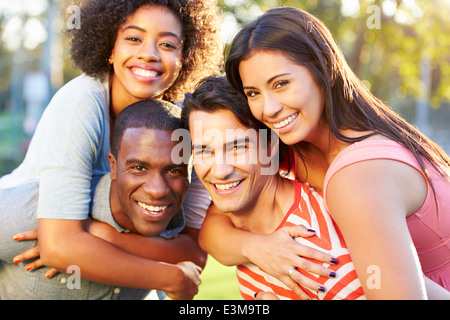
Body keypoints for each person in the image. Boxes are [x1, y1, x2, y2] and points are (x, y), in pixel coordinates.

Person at [200, 7, 450, 299]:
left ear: (325, 70)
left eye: (281, 84)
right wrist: (256, 247)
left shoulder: (359, 175)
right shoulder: (290, 149)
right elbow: (213, 226)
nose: (268, 109)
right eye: (253, 93)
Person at [0, 0, 221, 295]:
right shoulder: (83, 102)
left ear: (186, 56)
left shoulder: (186, 120)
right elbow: (59, 247)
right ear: (110, 47)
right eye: (133, 38)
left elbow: (194, 253)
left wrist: (100, 234)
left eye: (168, 44)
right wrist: (168, 279)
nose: (149, 54)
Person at [181, 76, 366, 300]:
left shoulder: (324, 236)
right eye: (203, 151)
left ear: (271, 148)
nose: (220, 171)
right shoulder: (241, 232)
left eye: (238, 147)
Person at [0, 100, 203, 300]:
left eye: (174, 170)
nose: (158, 190)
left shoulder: (174, 224)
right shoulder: (43, 214)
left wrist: (101, 235)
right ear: (113, 166)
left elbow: (197, 257)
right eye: (139, 168)